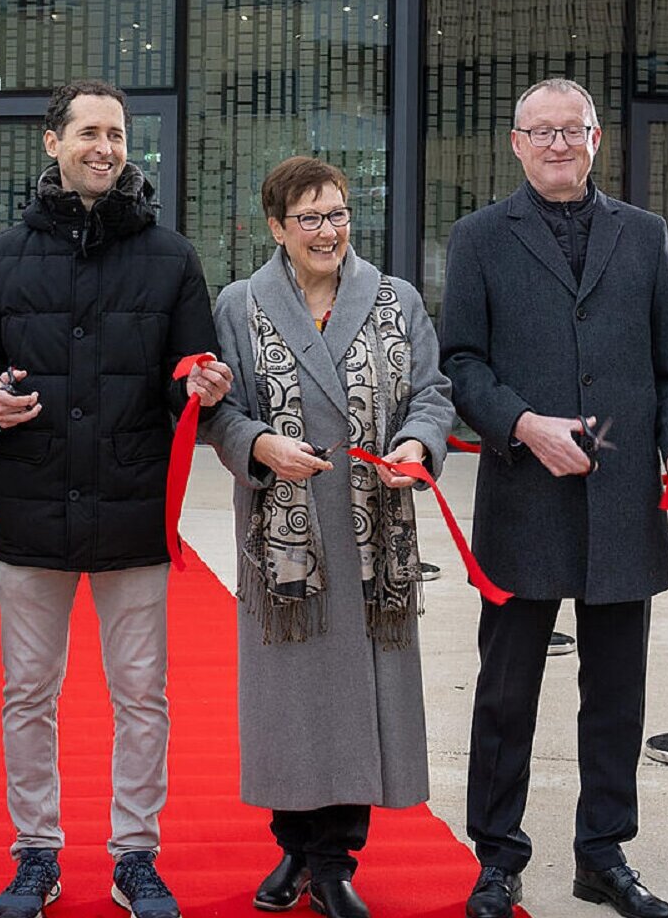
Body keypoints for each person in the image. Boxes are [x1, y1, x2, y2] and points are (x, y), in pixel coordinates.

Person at [0, 79, 232, 918]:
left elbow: (194, 371)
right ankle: (34, 852)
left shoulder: (172, 258)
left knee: (142, 695)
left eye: (116, 134)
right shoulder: (4, 257)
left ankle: (134, 855)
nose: (105, 147)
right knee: (27, 694)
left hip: (133, 504)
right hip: (31, 503)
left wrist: (204, 385)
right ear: (53, 143)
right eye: (88, 133)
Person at [439, 79, 668, 918]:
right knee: (507, 691)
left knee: (617, 694)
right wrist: (522, 424)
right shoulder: (480, 238)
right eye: (539, 131)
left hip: (623, 502)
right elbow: (461, 364)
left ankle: (603, 854)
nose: (557, 144)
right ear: (515, 144)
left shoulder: (645, 235)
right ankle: (497, 855)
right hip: (525, 494)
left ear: (597, 139)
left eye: (572, 130)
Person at [200, 157, 457, 918]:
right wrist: (257, 445)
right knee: (291, 703)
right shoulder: (240, 304)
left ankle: (334, 862)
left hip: (374, 532)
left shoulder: (393, 299)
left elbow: (432, 393)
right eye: (309, 217)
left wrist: (416, 445)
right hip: (287, 537)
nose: (328, 232)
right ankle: (297, 849)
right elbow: (223, 409)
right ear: (276, 226)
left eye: (338, 214)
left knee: (361, 699)